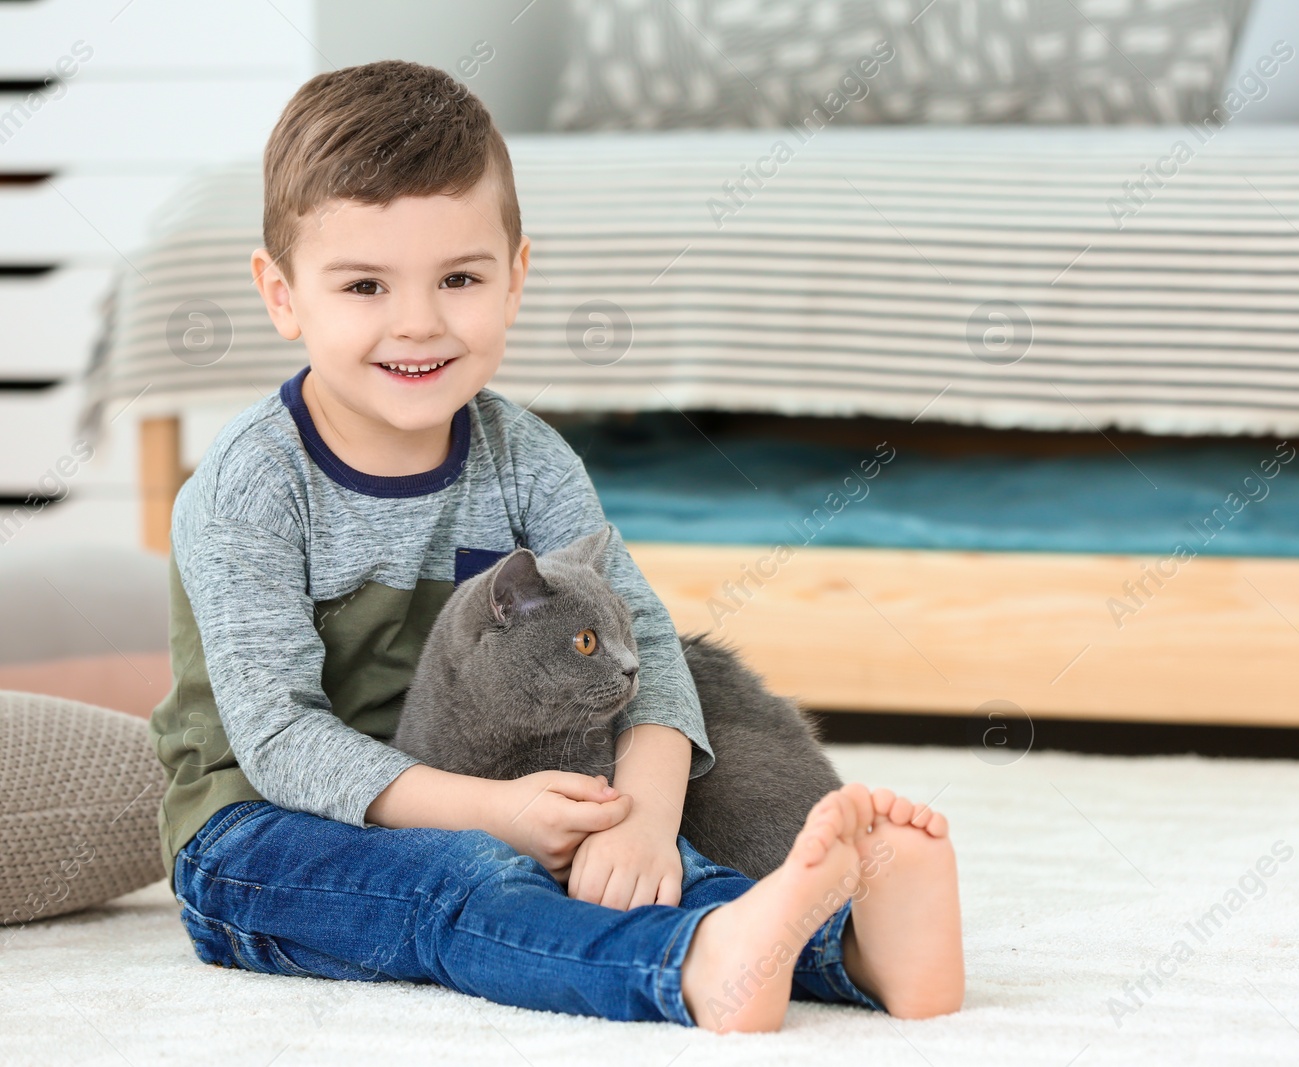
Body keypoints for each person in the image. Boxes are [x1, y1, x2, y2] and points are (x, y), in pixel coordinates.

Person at [148, 59, 963, 1032]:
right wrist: (491, 812)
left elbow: (649, 647)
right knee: (467, 876)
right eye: (364, 284)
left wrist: (645, 821)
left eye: (458, 278)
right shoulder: (248, 487)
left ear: (515, 277)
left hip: (492, 785)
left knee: (620, 843)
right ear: (282, 295)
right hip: (263, 831)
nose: (418, 321)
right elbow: (279, 742)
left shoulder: (526, 455)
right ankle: (694, 963)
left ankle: (853, 947)